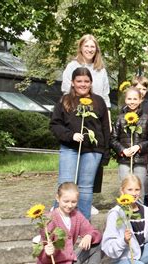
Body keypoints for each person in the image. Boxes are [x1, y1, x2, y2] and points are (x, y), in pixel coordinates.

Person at [50, 67, 110, 220]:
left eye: (86, 81)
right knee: (65, 185)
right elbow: (55, 124)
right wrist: (70, 136)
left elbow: (105, 128)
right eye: (79, 81)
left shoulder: (98, 101)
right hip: (70, 148)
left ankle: (84, 226)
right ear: (72, 82)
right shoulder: (65, 100)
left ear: (91, 83)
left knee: (85, 188)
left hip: (92, 150)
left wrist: (105, 153)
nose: (83, 84)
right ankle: (58, 226)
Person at [36, 182, 108, 264]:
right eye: (66, 201)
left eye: (73, 202)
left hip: (69, 261)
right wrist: (48, 252)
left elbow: (94, 231)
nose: (70, 205)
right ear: (57, 198)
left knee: (98, 244)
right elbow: (42, 254)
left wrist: (89, 235)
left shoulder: (76, 215)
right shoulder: (49, 220)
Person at [110, 87, 148, 201]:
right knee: (125, 187)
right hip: (124, 160)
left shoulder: (146, 118)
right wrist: (122, 150)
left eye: (135, 99)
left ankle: (139, 213)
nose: (132, 101)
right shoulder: (120, 119)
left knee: (139, 188)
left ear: (140, 100)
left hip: (140, 160)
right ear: (125, 100)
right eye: (129, 99)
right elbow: (113, 139)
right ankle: (125, 213)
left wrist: (139, 147)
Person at [61, 34, 111, 108]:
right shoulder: (72, 67)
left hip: (97, 110)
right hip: (76, 110)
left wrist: (107, 111)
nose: (90, 50)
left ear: (96, 49)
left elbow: (105, 95)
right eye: (86, 46)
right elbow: (66, 91)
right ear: (81, 48)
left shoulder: (101, 70)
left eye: (92, 47)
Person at [131, 76, 148, 206]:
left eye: (144, 89)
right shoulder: (128, 103)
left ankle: (145, 196)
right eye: (138, 88)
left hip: (145, 144)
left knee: (147, 171)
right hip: (130, 143)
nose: (141, 91)